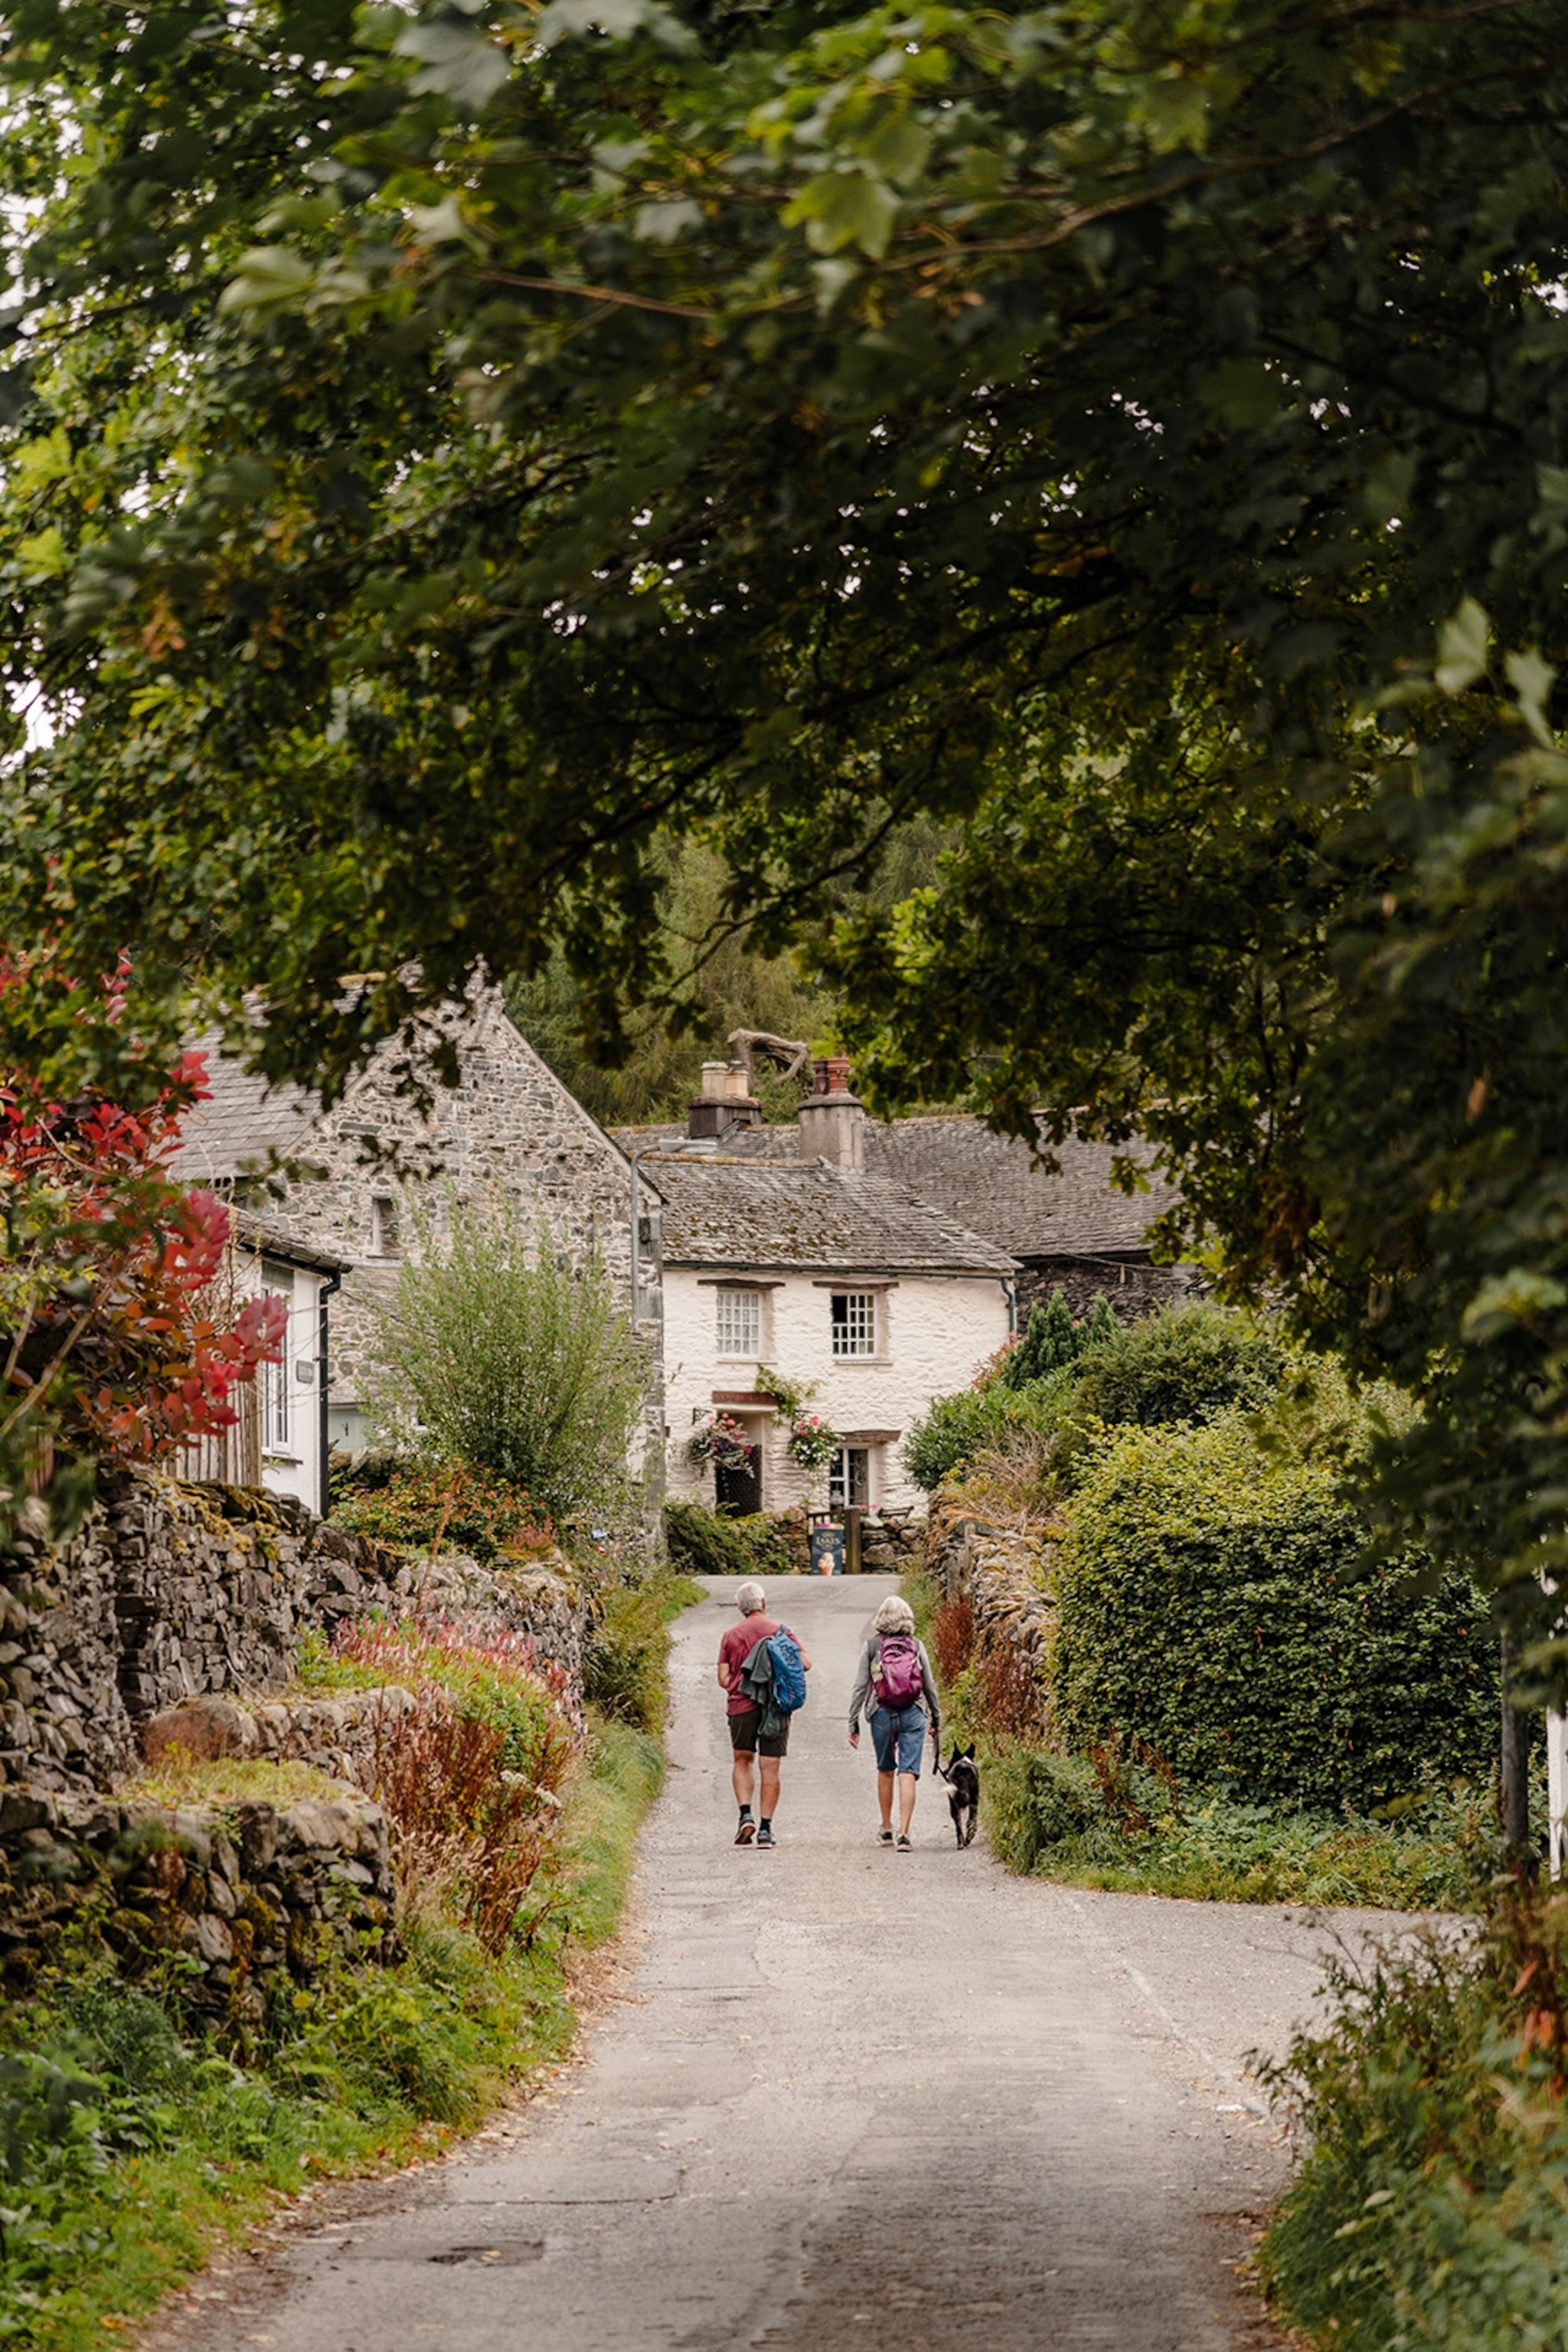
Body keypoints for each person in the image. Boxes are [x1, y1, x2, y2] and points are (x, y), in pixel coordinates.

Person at [717, 1580, 812, 1847]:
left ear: (740, 1609)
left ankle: (745, 1815)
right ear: (764, 1604)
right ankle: (766, 1831)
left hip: (740, 1707)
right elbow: (806, 1663)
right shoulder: (782, 1632)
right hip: (775, 1706)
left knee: (742, 1761)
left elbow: (723, 1678)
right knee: (770, 1768)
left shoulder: (731, 1635)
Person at [848, 1594, 940, 1851]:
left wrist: (853, 1721)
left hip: (881, 1713)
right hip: (913, 1712)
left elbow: (859, 1687)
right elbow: (930, 1685)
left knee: (886, 1769)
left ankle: (886, 1829)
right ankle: (905, 1834)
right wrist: (936, 1716)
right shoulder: (917, 1646)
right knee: (908, 1772)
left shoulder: (872, 1647)